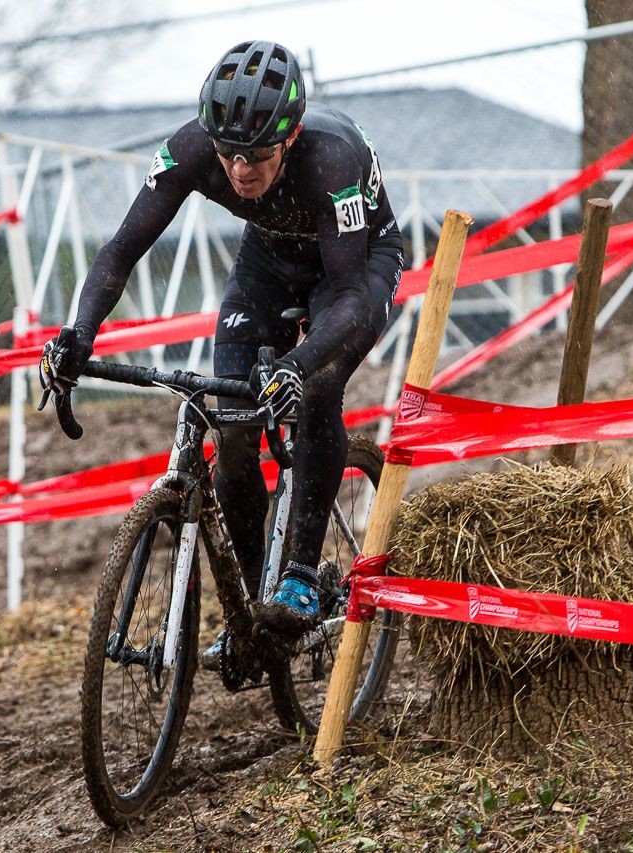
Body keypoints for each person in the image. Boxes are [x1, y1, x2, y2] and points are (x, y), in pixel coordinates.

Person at [39, 40, 403, 644]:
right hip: (268, 255)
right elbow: (121, 250)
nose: (240, 170)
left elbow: (346, 298)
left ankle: (303, 575)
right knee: (232, 427)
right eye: (229, 154)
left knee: (315, 388)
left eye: (258, 155)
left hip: (357, 264)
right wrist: (78, 333)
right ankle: (253, 601)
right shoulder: (190, 148)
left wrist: (297, 361)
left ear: (289, 138)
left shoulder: (330, 162)